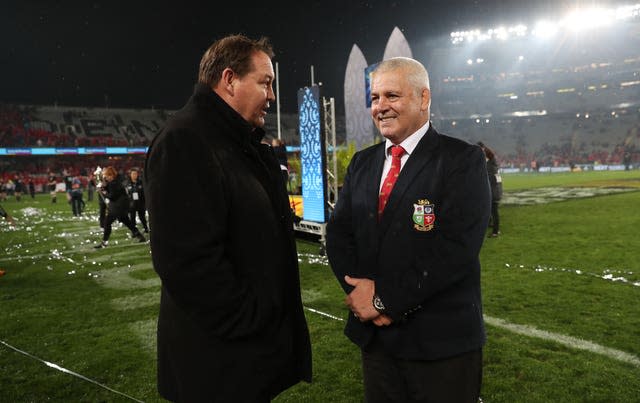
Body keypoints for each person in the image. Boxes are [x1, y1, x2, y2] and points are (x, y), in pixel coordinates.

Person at [144, 34, 311, 402]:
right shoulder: (185, 140)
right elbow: (185, 261)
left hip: (244, 358)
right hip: (218, 363)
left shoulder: (237, 140)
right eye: (265, 83)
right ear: (230, 79)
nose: (271, 95)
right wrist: (251, 320)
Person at [326, 57, 490, 403]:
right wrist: (361, 295)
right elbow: (340, 235)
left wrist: (384, 299)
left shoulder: (462, 160)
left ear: (423, 98)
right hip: (378, 342)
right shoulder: (363, 163)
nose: (381, 107)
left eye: (392, 96)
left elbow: (455, 250)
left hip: (442, 342)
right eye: (374, 98)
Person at [94, 166, 145, 248]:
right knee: (127, 222)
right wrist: (103, 187)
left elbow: (112, 196)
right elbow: (110, 188)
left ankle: (104, 243)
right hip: (121, 206)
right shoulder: (115, 181)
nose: (106, 177)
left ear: (111, 175)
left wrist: (103, 192)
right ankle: (140, 236)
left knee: (107, 222)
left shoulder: (114, 183)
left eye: (107, 175)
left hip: (118, 207)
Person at [479, 142, 503, 237]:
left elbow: (491, 181)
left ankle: (495, 232)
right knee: (491, 210)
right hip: (495, 191)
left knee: (494, 211)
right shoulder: (492, 165)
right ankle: (492, 226)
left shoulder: (491, 165)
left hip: (494, 192)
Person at [125, 168, 148, 233]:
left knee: (142, 217)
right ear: (130, 175)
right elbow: (125, 194)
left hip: (140, 203)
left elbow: (144, 193)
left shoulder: (141, 182)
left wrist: (144, 203)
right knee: (132, 219)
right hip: (131, 204)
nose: (134, 175)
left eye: (135, 174)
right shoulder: (127, 183)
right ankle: (134, 232)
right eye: (133, 174)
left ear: (137, 175)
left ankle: (146, 228)